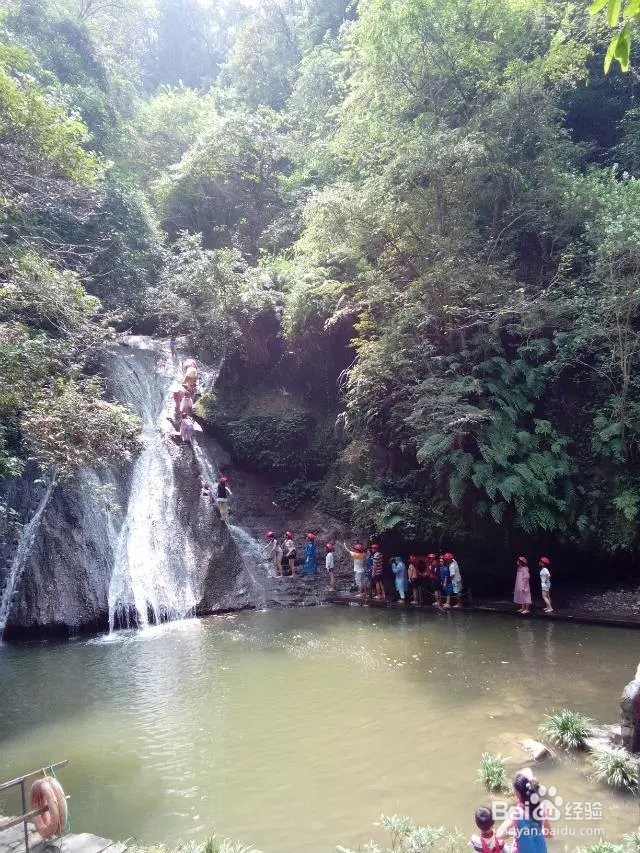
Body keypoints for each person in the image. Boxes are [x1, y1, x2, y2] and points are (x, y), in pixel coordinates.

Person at [496, 771, 552, 853]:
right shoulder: (541, 808)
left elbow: (499, 835)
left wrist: (515, 833)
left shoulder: (516, 813)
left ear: (517, 793)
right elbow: (549, 834)